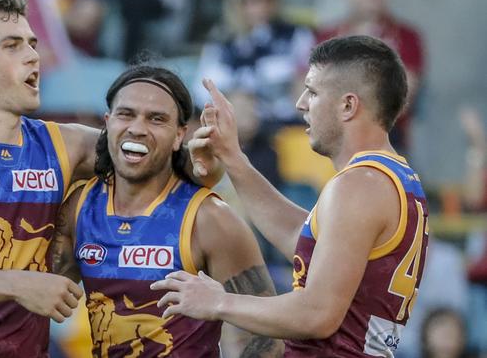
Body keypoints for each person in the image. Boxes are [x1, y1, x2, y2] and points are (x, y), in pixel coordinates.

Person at [0, 0, 220, 356]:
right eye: (12, 45)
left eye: (33, 43)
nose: (33, 55)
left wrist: (214, 161)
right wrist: (16, 284)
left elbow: (171, 168)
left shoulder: (65, 145)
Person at [152, 35, 430, 357]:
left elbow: (317, 315)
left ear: (348, 105)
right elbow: (304, 240)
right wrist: (233, 158)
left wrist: (218, 300)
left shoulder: (359, 185)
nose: (299, 103)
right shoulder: (390, 176)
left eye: (312, 92)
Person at [49, 64, 283, 357]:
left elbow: (263, 341)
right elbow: (37, 295)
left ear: (178, 136)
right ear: (107, 122)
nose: (137, 128)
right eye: (126, 114)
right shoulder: (80, 208)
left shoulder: (210, 218)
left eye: (156, 119)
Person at [317, 0, 425, 154]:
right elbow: (308, 93)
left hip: (386, 137)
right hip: (333, 138)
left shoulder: (406, 37)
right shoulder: (326, 36)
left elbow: (400, 99)